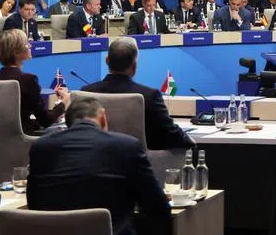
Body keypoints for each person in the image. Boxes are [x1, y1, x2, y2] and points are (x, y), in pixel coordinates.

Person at [27, 96, 171, 235]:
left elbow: (33, 203)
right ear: (102, 118)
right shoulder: (127, 146)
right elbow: (157, 206)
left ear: (68, 123)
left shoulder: (41, 146)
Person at [81, 38, 195, 150]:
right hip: (138, 165)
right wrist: (191, 142)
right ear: (134, 66)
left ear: (107, 60)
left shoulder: (85, 93)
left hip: (94, 164)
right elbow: (173, 135)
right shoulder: (150, 96)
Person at [0, 29, 68, 134]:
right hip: (25, 142)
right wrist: (64, 100)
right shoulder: (28, 80)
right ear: (16, 52)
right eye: (26, 43)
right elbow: (45, 120)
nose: (30, 46)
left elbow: (18, 119)